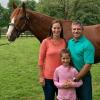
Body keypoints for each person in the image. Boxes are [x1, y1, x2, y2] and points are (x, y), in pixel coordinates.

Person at [38, 19, 66, 100]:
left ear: (61, 29)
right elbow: (40, 60)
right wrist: (41, 76)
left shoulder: (64, 42)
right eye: (54, 28)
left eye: (58, 28)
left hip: (61, 77)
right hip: (48, 78)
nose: (56, 30)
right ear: (51, 29)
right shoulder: (45, 42)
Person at [67, 21, 95, 100]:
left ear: (82, 30)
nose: (76, 31)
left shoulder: (87, 45)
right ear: (71, 30)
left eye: (78, 29)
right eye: (74, 29)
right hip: (72, 75)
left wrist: (76, 78)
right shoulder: (70, 42)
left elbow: (88, 65)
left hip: (83, 77)